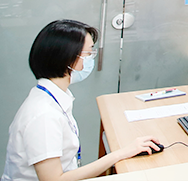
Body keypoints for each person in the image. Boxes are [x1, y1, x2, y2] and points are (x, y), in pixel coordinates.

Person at [2, 20, 159, 181]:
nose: (91, 59)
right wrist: (119, 154)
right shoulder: (44, 115)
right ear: (68, 58)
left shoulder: (52, 97)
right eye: (88, 53)